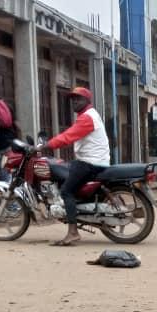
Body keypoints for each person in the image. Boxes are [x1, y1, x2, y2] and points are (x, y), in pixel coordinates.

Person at [42, 87, 111, 246]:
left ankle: (73, 233)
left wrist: (46, 146)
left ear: (87, 101)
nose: (74, 102)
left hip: (90, 162)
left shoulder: (87, 117)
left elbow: (68, 137)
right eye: (73, 99)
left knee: (66, 191)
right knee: (66, 169)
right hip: (93, 160)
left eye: (78, 99)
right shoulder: (88, 115)